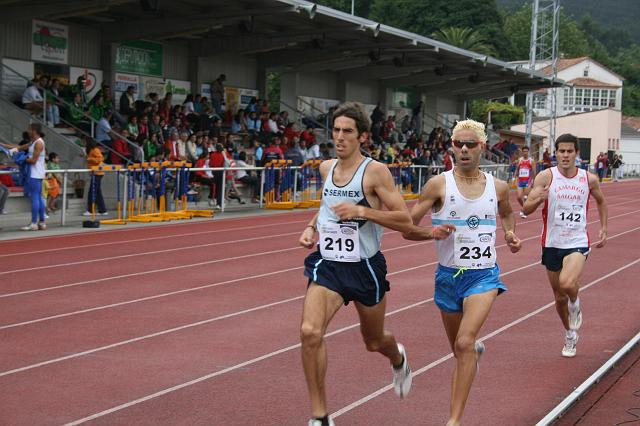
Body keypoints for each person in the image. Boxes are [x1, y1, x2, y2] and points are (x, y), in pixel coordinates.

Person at [298, 102, 414, 426]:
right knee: (310, 332)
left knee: (374, 341)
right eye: (336, 130)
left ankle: (398, 357)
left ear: (362, 135)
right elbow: (328, 205)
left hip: (365, 268)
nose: (339, 137)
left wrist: (363, 212)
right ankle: (320, 417)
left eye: (347, 131)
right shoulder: (326, 168)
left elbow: (404, 219)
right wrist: (312, 226)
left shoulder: (375, 172)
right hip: (330, 264)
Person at [402, 119, 522, 426]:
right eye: (459, 144)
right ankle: (473, 352)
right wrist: (432, 233)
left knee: (464, 343)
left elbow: (507, 213)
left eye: (471, 144)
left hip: (483, 275)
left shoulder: (498, 187)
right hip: (448, 277)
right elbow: (407, 227)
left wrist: (509, 233)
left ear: (482, 147)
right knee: (460, 348)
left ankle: (453, 421)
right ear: (452, 147)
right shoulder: (438, 185)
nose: (464, 149)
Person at [523, 133, 608, 358]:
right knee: (558, 298)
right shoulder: (545, 177)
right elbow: (526, 209)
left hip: (577, 241)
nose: (566, 155)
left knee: (568, 283)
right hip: (551, 243)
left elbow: (601, 201)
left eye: (570, 151)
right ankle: (570, 334)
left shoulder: (588, 179)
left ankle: (576, 302)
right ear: (556, 153)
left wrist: (603, 227)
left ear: (577, 154)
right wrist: (537, 199)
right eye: (562, 151)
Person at [0, 124, 48, 230]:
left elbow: (33, 161)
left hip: (35, 173)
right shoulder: (34, 142)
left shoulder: (39, 143)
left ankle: (34, 223)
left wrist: (20, 158)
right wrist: (2, 145)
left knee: (35, 198)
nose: (27, 131)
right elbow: (18, 147)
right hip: (37, 173)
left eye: (29, 130)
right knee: (39, 198)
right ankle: (42, 222)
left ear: (34, 131)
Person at [83, 138, 108, 216]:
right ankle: (102, 210)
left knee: (92, 191)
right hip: (95, 173)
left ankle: (91, 210)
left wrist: (89, 158)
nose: (83, 143)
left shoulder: (95, 150)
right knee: (97, 192)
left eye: (84, 141)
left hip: (97, 173)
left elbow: (100, 159)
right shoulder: (91, 150)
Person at [514, 146, 536, 218]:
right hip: (520, 181)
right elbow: (517, 169)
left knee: (526, 197)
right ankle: (524, 209)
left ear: (528, 152)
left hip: (528, 181)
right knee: (519, 197)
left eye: (526, 151)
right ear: (522, 152)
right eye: (524, 151)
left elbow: (534, 172)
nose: (525, 153)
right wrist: (514, 177)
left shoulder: (531, 161)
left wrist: (534, 181)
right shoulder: (520, 160)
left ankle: (523, 211)